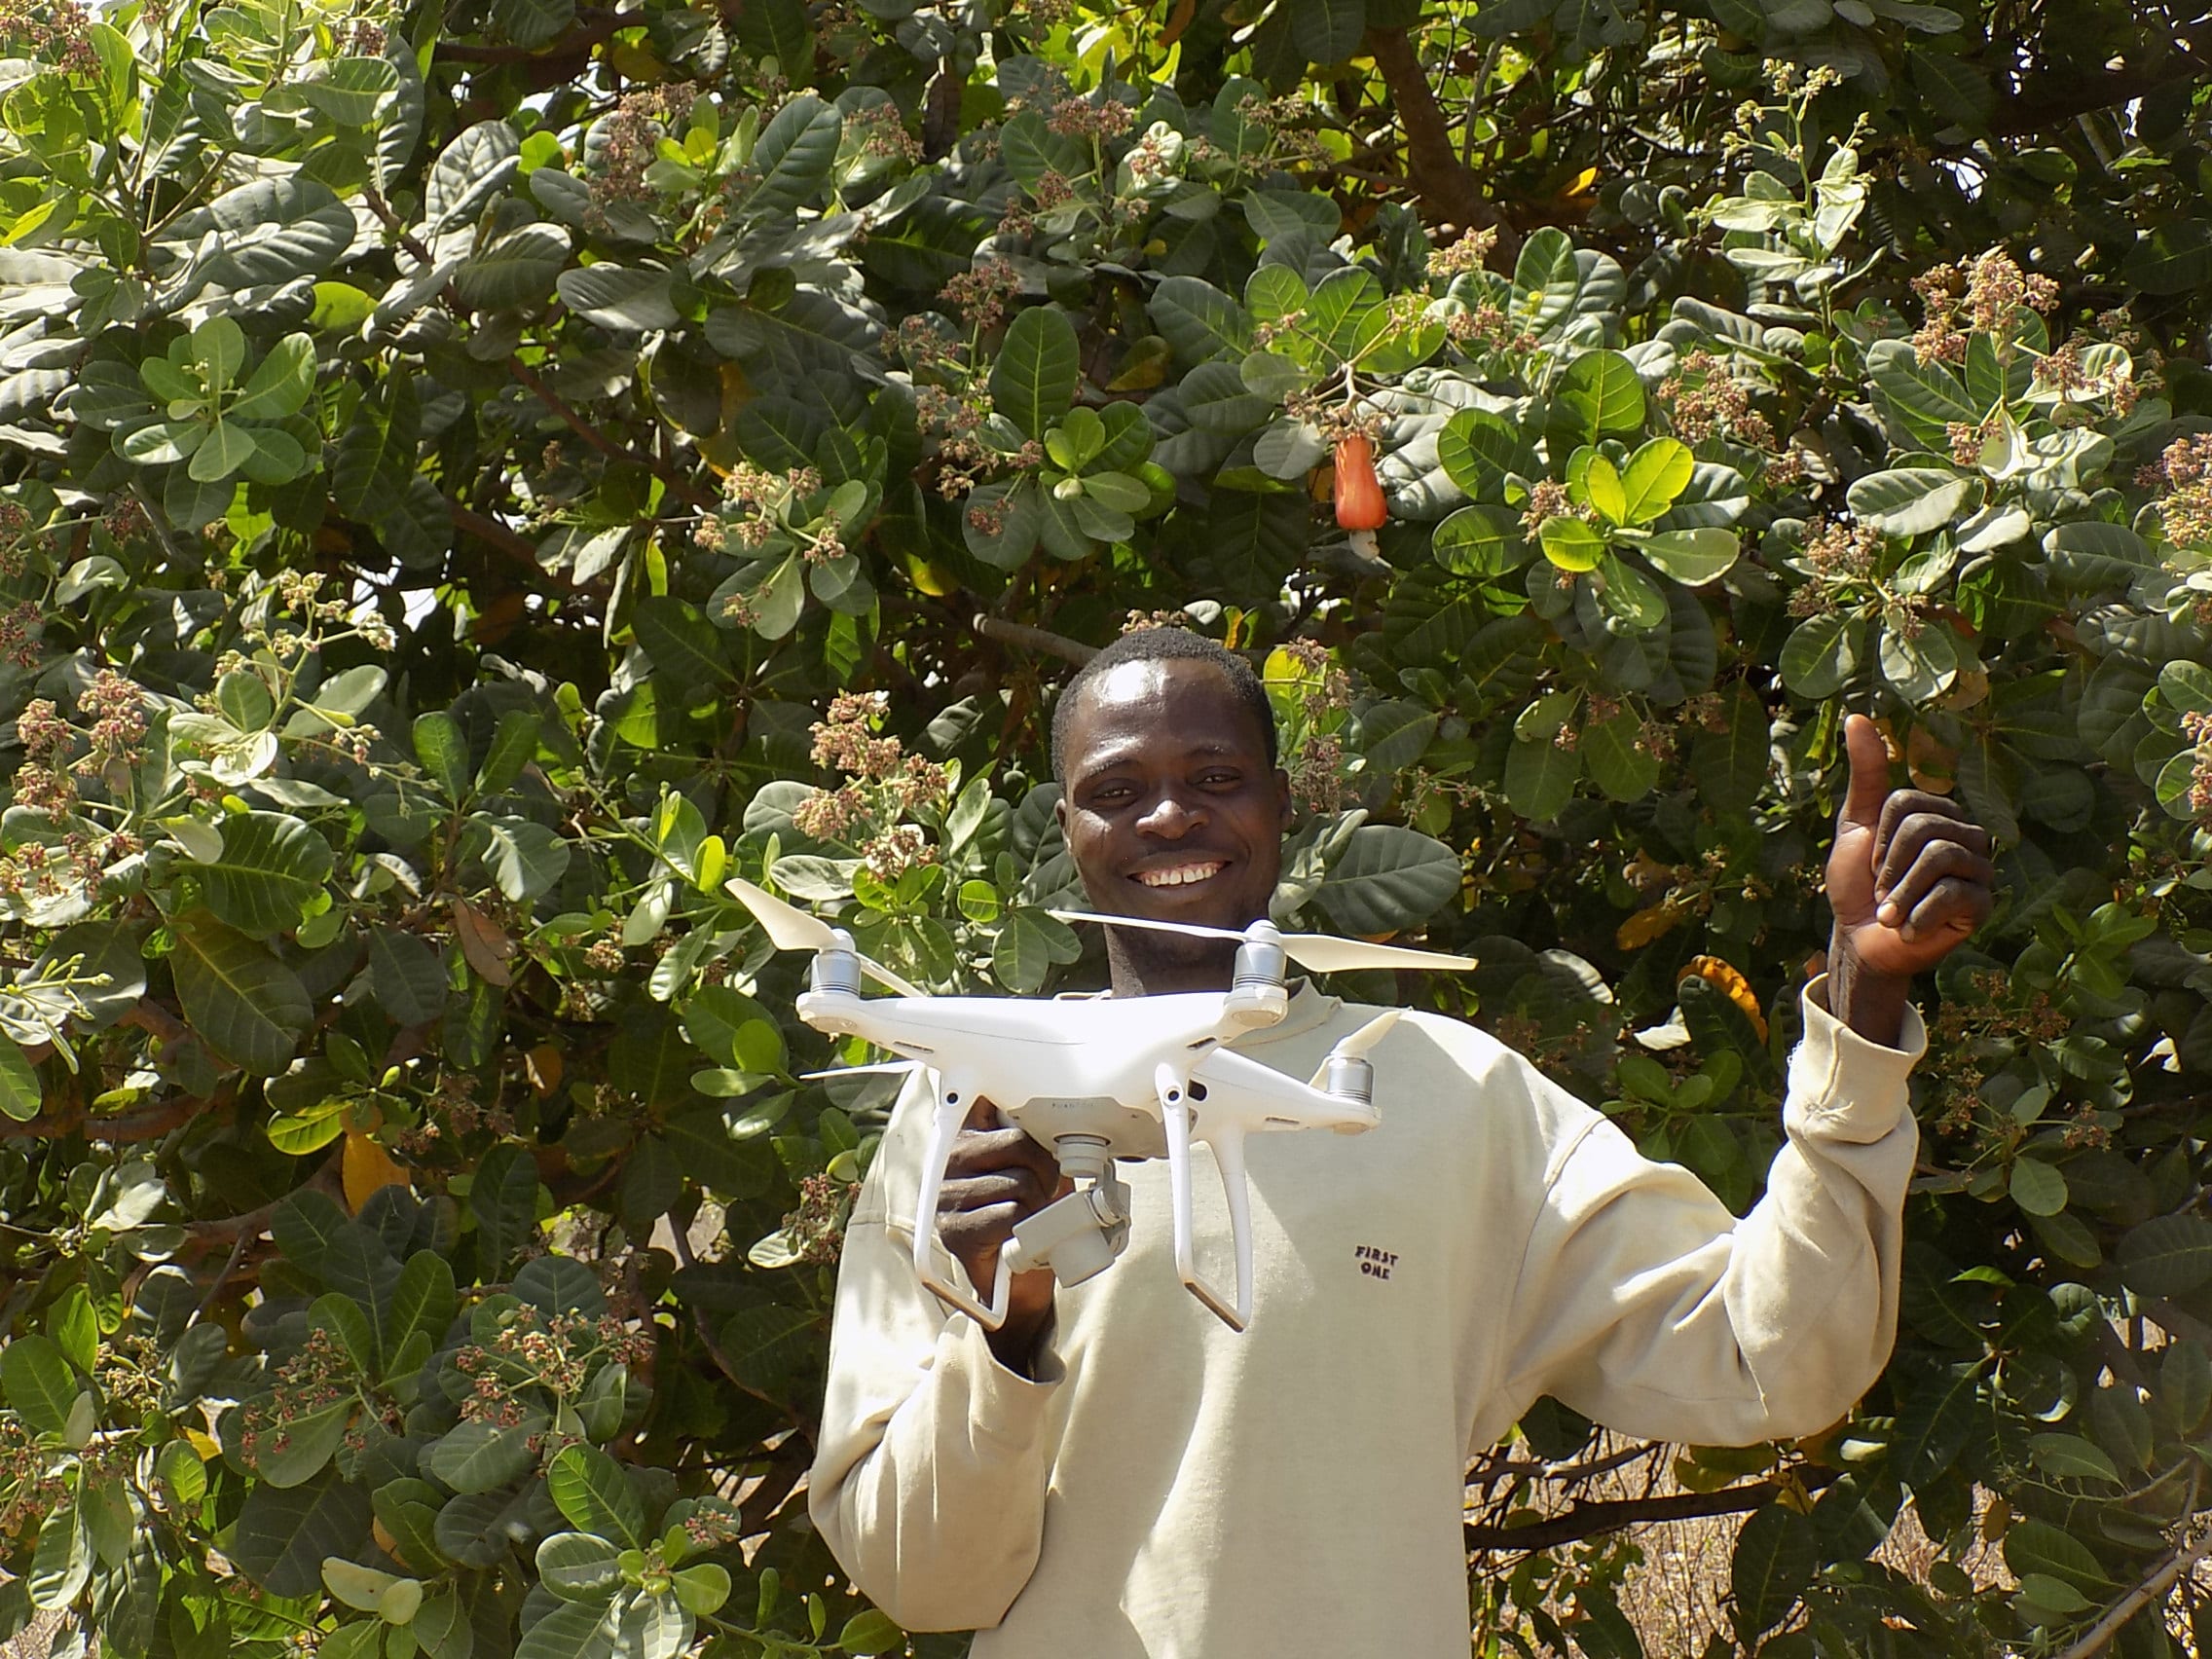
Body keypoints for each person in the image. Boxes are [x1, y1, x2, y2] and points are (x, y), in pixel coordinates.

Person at [806, 627, 1994, 1657]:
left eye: (1214, 775)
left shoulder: (1453, 1092)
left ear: (1281, 804)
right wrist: (1007, 1334)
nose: (1169, 815)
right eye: (1116, 790)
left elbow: (1771, 1361)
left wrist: (1863, 999)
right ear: (1067, 828)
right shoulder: (971, 1109)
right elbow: (924, 1585)